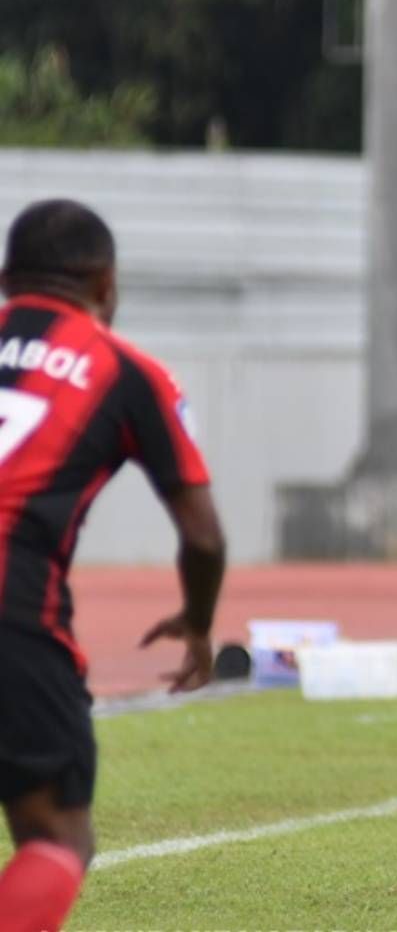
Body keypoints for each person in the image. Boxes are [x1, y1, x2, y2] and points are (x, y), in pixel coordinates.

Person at [0, 199, 227, 932]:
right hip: (13, 613)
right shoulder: (128, 371)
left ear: (7, 280)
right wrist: (197, 623)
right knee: (59, 836)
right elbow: (204, 537)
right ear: (106, 284)